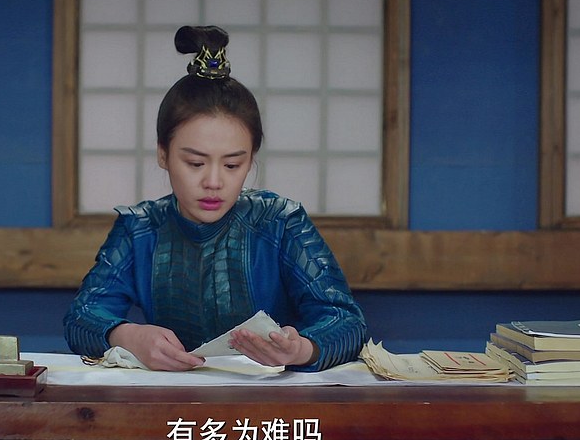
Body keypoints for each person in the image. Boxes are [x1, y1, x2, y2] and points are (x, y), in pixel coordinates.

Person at [63, 25, 367, 373]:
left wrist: (300, 349)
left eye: (233, 165)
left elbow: (347, 321)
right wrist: (127, 335)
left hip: (270, 398)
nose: (213, 182)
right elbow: (82, 316)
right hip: (173, 397)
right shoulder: (140, 228)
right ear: (163, 154)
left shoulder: (279, 222)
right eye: (195, 163)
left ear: (251, 159)